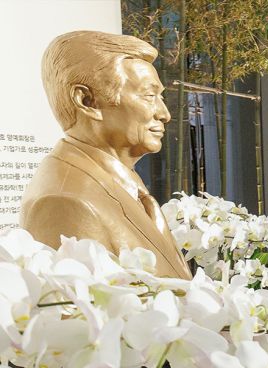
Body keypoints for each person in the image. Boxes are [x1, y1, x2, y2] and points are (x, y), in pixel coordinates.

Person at [20, 31, 190, 279]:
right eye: (149, 96)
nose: (164, 114)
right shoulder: (66, 202)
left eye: (160, 97)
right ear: (87, 101)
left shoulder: (122, 181)